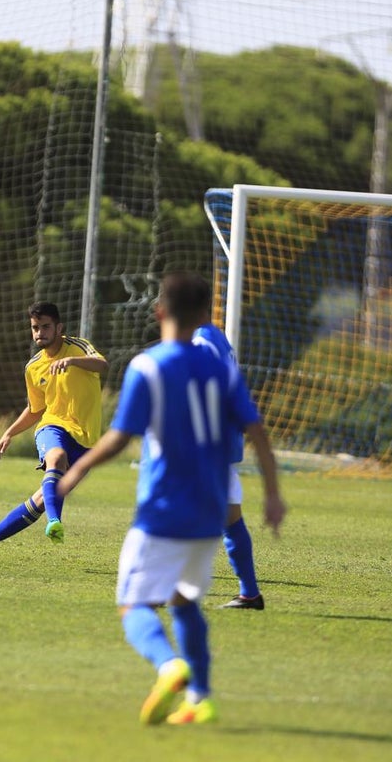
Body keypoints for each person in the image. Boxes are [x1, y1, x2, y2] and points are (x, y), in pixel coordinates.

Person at [55, 272, 286, 726]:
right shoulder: (221, 367)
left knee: (133, 604)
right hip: (208, 510)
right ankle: (200, 697)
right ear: (205, 317)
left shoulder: (149, 367)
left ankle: (168, 666)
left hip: (163, 509)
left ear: (159, 311)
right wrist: (274, 495)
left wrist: (79, 467)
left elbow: (121, 437)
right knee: (183, 601)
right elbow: (255, 429)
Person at [0, 302, 107, 564]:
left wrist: (72, 361)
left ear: (59, 328)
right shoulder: (33, 367)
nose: (39, 332)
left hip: (87, 439)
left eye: (45, 327)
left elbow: (101, 364)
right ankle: (55, 521)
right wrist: (9, 433)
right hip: (52, 426)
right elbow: (35, 410)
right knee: (56, 457)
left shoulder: (78, 348)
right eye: (35, 328)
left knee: (43, 499)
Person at [193, 318, 274, 610]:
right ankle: (250, 593)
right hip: (222, 442)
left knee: (177, 515)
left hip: (207, 444)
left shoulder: (201, 342)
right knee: (230, 520)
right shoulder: (216, 336)